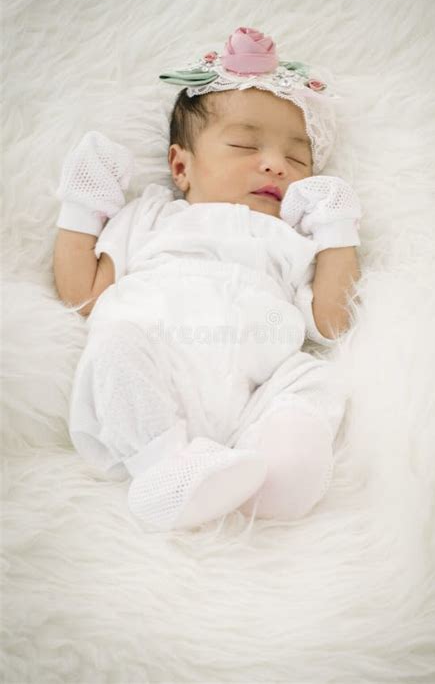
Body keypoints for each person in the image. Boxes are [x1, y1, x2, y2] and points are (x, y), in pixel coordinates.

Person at [53, 27, 362, 532]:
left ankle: (278, 472)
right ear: (180, 166)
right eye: (244, 144)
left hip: (253, 386)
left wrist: (335, 227)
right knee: (115, 344)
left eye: (297, 158)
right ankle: (165, 469)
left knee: (315, 378)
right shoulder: (152, 215)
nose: (274, 164)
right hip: (158, 368)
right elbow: (85, 294)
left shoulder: (289, 237)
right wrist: (82, 206)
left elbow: (331, 322)